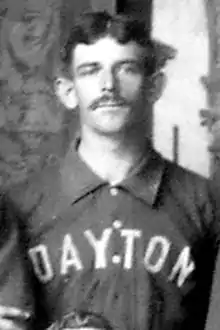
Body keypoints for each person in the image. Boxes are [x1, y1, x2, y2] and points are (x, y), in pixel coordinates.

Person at [3, 10, 220, 330]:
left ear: (154, 87)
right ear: (67, 91)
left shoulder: (206, 202)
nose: (108, 85)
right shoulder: (18, 205)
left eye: (126, 69)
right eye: (91, 71)